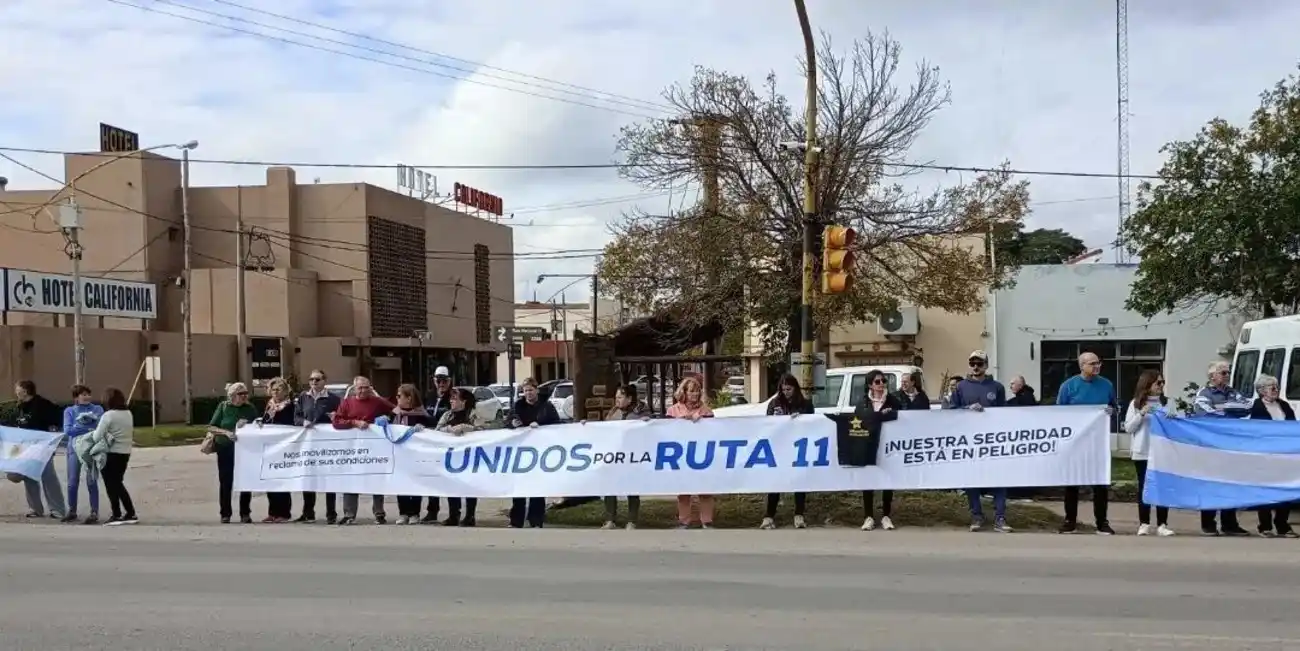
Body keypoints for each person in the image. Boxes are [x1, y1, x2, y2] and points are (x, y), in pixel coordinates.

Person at [946, 351, 1013, 533]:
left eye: (979, 363)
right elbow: (952, 411)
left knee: (998, 479)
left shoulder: (997, 387)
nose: (975, 367)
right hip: (969, 441)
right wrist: (967, 408)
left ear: (986, 365)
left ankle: (1000, 517)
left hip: (992, 441)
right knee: (972, 479)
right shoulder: (961, 387)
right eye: (972, 363)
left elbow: (1004, 413)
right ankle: (976, 515)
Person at [1054, 351, 1117, 535]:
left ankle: (1102, 522)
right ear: (1082, 366)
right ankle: (1070, 521)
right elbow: (1059, 413)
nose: (1097, 366)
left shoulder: (1106, 385)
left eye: (1098, 363)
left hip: (1098, 442)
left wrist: (1111, 412)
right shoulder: (1068, 386)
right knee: (1072, 482)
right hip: (1075, 442)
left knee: (1100, 483)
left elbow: (1115, 407)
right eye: (1092, 363)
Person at [1192, 361, 1251, 536]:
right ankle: (1208, 523)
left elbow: (1247, 406)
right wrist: (1229, 410)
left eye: (1228, 372)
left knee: (1231, 484)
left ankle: (1229, 524)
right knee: (1210, 484)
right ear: (1213, 376)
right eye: (1223, 373)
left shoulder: (1233, 392)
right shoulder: (1204, 393)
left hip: (1230, 445)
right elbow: (1204, 412)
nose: (1227, 376)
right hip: (1211, 446)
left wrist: (1222, 408)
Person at [332, 375, 395, 525]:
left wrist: (386, 417)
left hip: (374, 449)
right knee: (351, 479)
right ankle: (349, 514)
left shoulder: (377, 401)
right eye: (360, 388)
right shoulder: (347, 403)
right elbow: (337, 422)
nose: (363, 391)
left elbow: (395, 410)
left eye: (366, 388)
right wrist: (354, 422)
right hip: (353, 450)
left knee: (376, 479)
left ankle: (379, 513)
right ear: (354, 389)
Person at [1123, 370, 1174, 537]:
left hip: (1162, 451)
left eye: (1163, 382)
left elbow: (1175, 426)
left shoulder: (1167, 403)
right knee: (1144, 487)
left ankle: (1162, 524)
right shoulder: (1135, 403)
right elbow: (1128, 427)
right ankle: (1144, 523)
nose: (1161, 386)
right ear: (1148, 384)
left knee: (1162, 486)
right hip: (1143, 451)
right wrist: (1142, 413)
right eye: (1158, 382)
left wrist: (1172, 417)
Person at [761, 374, 814, 530]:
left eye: (789, 389)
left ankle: (799, 514)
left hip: (799, 447)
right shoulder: (775, 403)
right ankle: (769, 516)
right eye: (783, 390)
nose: (786, 392)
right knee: (776, 481)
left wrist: (801, 418)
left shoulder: (805, 404)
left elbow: (813, 423)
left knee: (799, 481)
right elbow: (767, 423)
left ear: (795, 388)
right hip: (780, 447)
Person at [507, 377, 561, 528]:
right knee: (519, 488)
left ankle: (536, 520)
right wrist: (512, 423)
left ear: (536, 390)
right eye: (525, 391)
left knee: (537, 487)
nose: (528, 393)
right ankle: (516, 520)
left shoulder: (546, 406)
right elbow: (507, 422)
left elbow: (557, 425)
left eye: (530, 390)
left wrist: (541, 425)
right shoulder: (518, 406)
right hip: (521, 452)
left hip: (541, 452)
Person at [11, 380, 67, 520]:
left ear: (25, 391)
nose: (16, 392)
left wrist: (53, 432)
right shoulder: (20, 406)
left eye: (18, 389)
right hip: (25, 447)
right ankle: (35, 509)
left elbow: (58, 418)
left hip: (43, 447)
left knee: (48, 477)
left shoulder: (42, 404)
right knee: (29, 477)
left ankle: (58, 510)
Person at [855, 370, 903, 531]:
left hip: (888, 445)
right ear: (870, 385)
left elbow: (902, 418)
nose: (881, 384)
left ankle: (886, 516)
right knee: (868, 480)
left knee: (887, 480)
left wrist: (889, 414)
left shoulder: (893, 401)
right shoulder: (863, 402)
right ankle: (868, 516)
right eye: (877, 381)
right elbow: (859, 420)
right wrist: (878, 416)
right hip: (868, 445)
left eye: (883, 380)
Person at [436, 387, 490, 526]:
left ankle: (470, 516)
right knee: (451, 484)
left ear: (464, 401)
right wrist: (448, 429)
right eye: (451, 399)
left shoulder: (473, 414)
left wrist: (467, 428)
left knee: (470, 485)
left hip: (469, 456)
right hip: (451, 457)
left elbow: (483, 430)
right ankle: (453, 515)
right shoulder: (447, 415)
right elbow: (437, 431)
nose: (451, 401)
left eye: (455, 399)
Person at [1249, 374, 1296, 537]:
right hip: (1266, 455)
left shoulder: (1284, 405)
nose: (1276, 390)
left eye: (1277, 387)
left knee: (1286, 489)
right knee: (1266, 490)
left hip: (1285, 454)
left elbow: (1292, 426)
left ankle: (1282, 524)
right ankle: (1265, 525)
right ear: (1261, 390)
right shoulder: (1256, 407)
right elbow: (1256, 430)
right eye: (1272, 387)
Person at [293, 369, 341, 523]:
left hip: (327, 444)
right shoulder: (303, 397)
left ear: (324, 381)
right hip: (308, 444)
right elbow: (296, 417)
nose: (314, 382)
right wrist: (303, 422)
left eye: (317, 379)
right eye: (311, 379)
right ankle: (308, 512)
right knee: (308, 477)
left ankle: (331, 513)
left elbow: (342, 417)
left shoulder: (334, 399)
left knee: (329, 479)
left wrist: (335, 418)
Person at [668, 376, 715, 529]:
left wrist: (702, 421)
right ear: (684, 392)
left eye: (697, 391)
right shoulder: (673, 410)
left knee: (705, 490)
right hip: (680, 455)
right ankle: (684, 521)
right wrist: (683, 420)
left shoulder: (706, 411)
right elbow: (665, 430)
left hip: (702, 454)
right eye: (691, 391)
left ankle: (707, 520)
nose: (695, 394)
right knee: (683, 490)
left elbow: (714, 431)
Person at [601, 384, 650, 530]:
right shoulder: (614, 412)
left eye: (620, 397)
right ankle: (610, 519)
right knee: (610, 487)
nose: (617, 400)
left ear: (629, 398)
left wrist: (647, 423)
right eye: (616, 397)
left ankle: (632, 520)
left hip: (633, 455)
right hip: (615, 455)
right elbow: (604, 429)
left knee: (632, 487)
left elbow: (650, 430)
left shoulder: (641, 411)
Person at [209, 382, 259, 523]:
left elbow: (257, 423)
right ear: (232, 395)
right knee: (226, 481)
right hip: (225, 447)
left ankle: (245, 513)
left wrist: (252, 424)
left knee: (245, 480)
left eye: (245, 393)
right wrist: (226, 432)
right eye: (240, 394)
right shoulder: (224, 407)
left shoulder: (249, 408)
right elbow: (212, 427)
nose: (244, 396)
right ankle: (225, 513)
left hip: (245, 449)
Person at [88, 387, 138, 526]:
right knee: (117, 483)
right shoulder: (128, 413)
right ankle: (128, 513)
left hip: (110, 453)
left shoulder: (108, 415)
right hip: (125, 452)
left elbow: (97, 436)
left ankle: (118, 514)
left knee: (112, 485)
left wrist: (91, 431)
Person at [391, 384, 435, 525]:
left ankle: (414, 513)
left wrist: (423, 429)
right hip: (399, 455)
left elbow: (433, 427)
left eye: (400, 396)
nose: (397, 398)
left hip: (416, 456)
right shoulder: (394, 414)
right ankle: (403, 513)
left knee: (415, 483)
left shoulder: (421, 415)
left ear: (409, 398)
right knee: (401, 483)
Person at [62, 384, 104, 524]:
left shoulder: (97, 409)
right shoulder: (69, 411)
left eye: (88, 394)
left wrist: (81, 427)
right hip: (74, 448)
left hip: (91, 448)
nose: (87, 397)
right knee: (72, 481)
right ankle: (72, 510)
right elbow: (68, 431)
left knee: (91, 480)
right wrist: (87, 427)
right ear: (76, 397)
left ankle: (94, 512)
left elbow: (100, 428)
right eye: (83, 394)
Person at [259, 377, 296, 523]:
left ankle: (284, 513)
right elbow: (265, 421)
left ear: (285, 391)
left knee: (281, 481)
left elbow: (291, 424)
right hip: (270, 448)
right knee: (270, 481)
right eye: (273, 389)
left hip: (283, 447)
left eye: (278, 389)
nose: (275, 392)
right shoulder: (269, 405)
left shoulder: (290, 406)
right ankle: (272, 512)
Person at [422, 366, 455, 524]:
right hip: (430, 442)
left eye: (444, 381)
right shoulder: (428, 396)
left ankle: (454, 513)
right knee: (432, 477)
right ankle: (432, 511)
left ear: (449, 381)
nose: (441, 384)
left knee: (449, 478)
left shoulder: (453, 396)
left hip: (447, 442)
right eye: (438, 380)